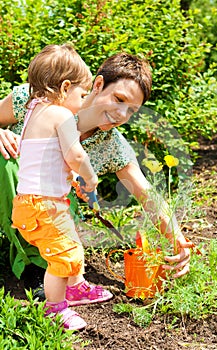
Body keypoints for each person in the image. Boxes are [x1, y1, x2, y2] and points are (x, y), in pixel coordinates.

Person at [0, 51, 192, 290]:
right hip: (15, 192)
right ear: (98, 84)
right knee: (5, 157)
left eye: (131, 110)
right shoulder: (37, 98)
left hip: (51, 212)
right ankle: (37, 262)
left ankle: (45, 266)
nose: (122, 115)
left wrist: (178, 240)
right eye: (119, 100)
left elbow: (147, 194)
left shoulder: (111, 144)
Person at [10, 43, 113, 331]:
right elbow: (76, 154)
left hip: (33, 203)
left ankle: (76, 287)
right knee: (64, 255)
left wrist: (71, 179)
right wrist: (90, 178)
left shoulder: (33, 111)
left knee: (70, 245)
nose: (83, 102)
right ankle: (55, 308)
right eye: (82, 94)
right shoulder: (61, 114)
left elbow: (51, 159)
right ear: (65, 87)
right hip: (43, 205)